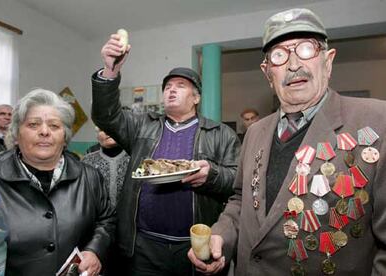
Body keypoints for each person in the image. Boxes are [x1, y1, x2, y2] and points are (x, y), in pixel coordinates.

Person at [188, 8, 386, 275]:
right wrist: (221, 235)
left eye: (306, 49)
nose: (294, 65)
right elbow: (241, 199)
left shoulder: (377, 121)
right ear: (268, 72)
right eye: (279, 55)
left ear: (328, 61)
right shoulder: (255, 132)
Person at [91, 33, 241, 275]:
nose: (171, 91)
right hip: (142, 246)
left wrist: (211, 175)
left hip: (194, 247)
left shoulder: (221, 133)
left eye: (180, 86)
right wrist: (110, 72)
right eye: (168, 87)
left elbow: (237, 183)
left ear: (196, 98)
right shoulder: (141, 126)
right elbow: (105, 116)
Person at [0, 89, 115, 276]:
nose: (45, 131)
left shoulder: (90, 176)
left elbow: (107, 220)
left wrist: (95, 250)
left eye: (55, 126)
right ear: (15, 135)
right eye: (33, 124)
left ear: (65, 137)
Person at [82, 127, 130, 213]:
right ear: (97, 136)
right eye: (102, 130)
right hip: (97, 220)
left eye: (111, 127)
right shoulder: (87, 161)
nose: (108, 133)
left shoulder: (134, 158)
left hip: (129, 219)